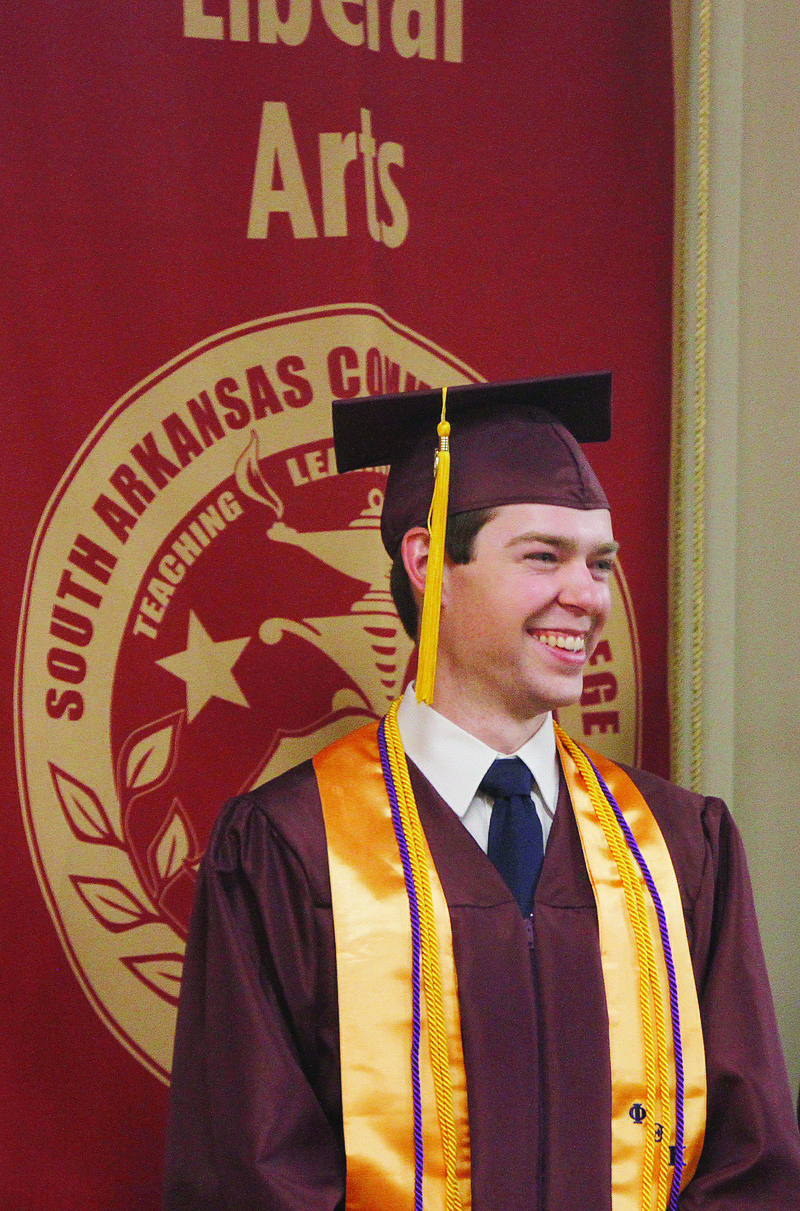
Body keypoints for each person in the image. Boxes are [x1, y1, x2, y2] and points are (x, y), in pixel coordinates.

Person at [164, 375, 800, 1210]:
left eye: (599, 562)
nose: (589, 595)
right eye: (544, 555)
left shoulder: (682, 847)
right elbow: (249, 1175)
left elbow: (750, 1166)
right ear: (431, 564)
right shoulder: (289, 847)